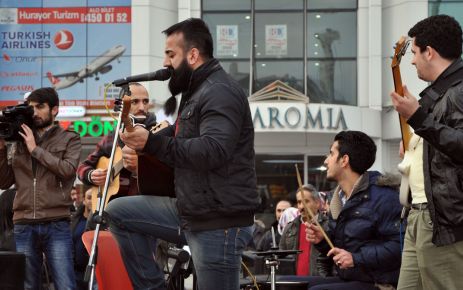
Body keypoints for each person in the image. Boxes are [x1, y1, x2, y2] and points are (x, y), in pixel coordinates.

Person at [105, 18, 259, 290]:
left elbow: (214, 150)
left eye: (170, 54)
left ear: (193, 55)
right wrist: (143, 139)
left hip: (218, 221)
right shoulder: (198, 91)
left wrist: (151, 144)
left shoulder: (219, 91)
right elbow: (178, 133)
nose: (165, 63)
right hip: (192, 210)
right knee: (118, 211)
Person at [390, 14, 463, 290]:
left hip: (444, 220)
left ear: (429, 52)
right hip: (420, 214)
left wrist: (418, 119)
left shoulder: (458, 91)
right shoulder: (437, 93)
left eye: (416, 53)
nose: (411, 60)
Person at [0, 87, 82, 289]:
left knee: (65, 284)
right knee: (28, 285)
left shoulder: (70, 138)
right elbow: (4, 182)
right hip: (23, 222)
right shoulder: (17, 141)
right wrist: (1, 148)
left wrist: (35, 149)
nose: (34, 112)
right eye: (31, 107)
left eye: (40, 107)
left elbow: (67, 170)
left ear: (54, 110)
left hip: (56, 222)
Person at [304, 131, 402, 289]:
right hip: (350, 278)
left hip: (378, 283)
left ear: (344, 160)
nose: (326, 160)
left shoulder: (384, 197)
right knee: (286, 284)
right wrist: (322, 239)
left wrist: (356, 258)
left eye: (331, 153)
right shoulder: (339, 200)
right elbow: (343, 250)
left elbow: (400, 246)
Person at [77, 82, 157, 206]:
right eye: (135, 102)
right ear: (122, 106)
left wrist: (139, 168)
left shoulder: (159, 133)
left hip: (147, 206)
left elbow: (169, 174)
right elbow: (83, 167)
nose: (142, 107)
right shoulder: (113, 137)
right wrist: (91, 175)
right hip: (114, 208)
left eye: (145, 102)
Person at [279, 185, 331, 277]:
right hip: (294, 283)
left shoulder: (329, 226)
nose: (301, 206)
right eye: (299, 202)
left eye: (306, 201)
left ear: (318, 203)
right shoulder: (289, 228)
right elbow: (281, 258)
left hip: (319, 282)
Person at [71, 188, 93, 289]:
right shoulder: (74, 220)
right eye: (89, 198)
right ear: (84, 200)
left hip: (93, 272)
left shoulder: (102, 223)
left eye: (95, 198)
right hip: (75, 272)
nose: (92, 201)